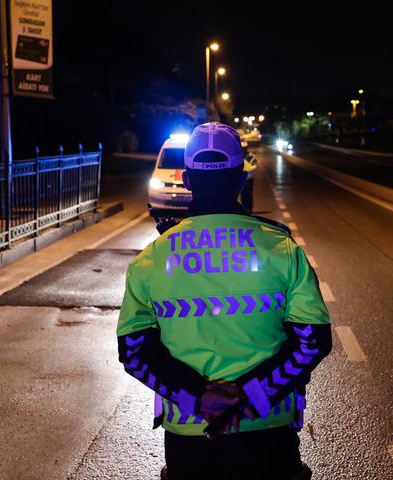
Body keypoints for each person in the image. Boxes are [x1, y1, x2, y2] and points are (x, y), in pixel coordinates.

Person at [117, 122, 331, 480]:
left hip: (190, 438)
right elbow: (313, 343)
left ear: (187, 180)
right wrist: (251, 397)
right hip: (269, 431)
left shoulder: (150, 261)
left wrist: (198, 397)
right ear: (240, 180)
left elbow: (135, 352)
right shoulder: (283, 250)